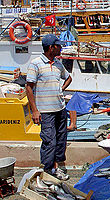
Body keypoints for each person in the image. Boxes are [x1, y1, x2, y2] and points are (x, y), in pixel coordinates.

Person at [26, 34, 72, 180]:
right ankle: (48, 170)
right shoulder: (36, 63)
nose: (61, 48)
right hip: (45, 112)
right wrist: (34, 110)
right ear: (51, 48)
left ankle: (58, 168)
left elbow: (69, 77)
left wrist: (60, 89)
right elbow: (29, 88)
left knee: (60, 140)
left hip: (60, 108)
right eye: (58, 46)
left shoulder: (58, 64)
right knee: (49, 141)